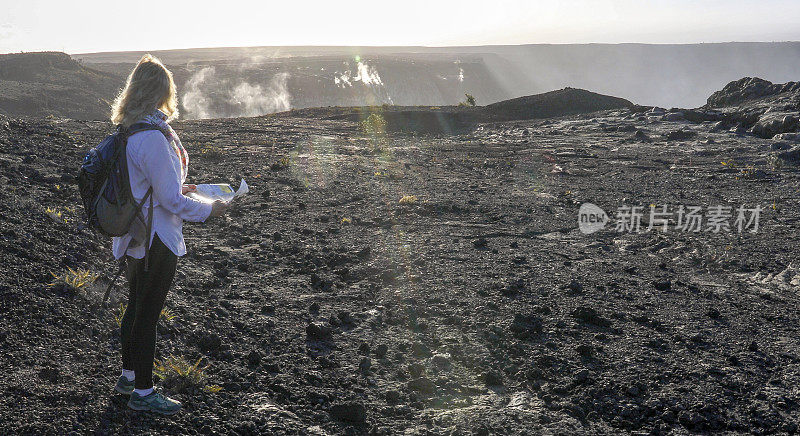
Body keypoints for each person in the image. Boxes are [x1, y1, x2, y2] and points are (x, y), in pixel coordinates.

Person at [108, 54, 229, 415]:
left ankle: (129, 378)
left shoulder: (129, 130)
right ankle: (143, 394)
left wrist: (182, 185)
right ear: (162, 92)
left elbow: (154, 185)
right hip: (156, 239)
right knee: (148, 314)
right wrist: (210, 209)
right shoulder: (154, 138)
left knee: (135, 307)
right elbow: (170, 200)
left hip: (134, 235)